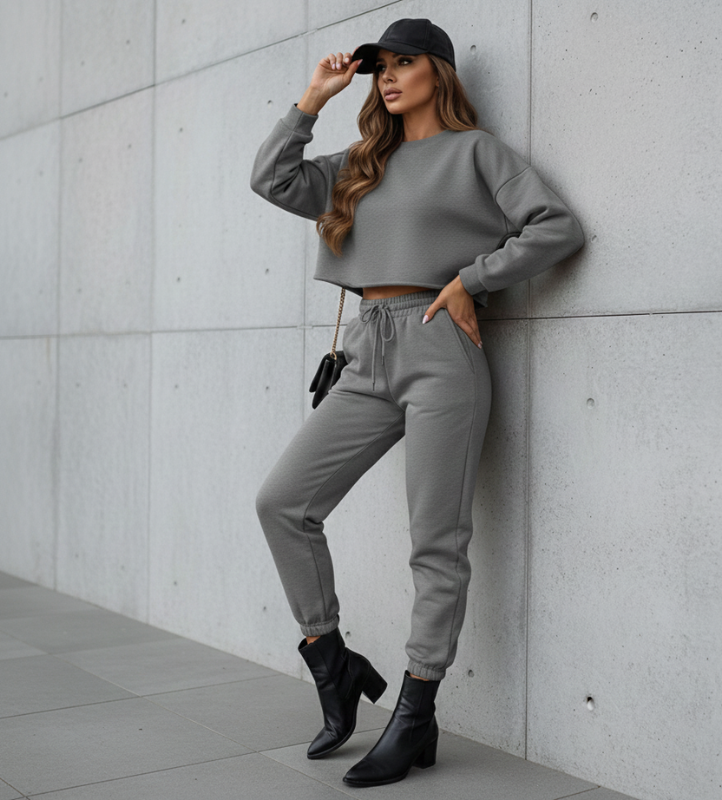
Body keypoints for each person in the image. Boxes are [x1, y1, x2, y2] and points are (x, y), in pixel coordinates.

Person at [250, 18, 584, 788]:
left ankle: (415, 712)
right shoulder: (362, 161)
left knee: (437, 543)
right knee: (283, 504)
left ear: (438, 71)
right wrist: (313, 98)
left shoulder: (476, 153)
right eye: (381, 68)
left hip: (440, 349)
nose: (390, 77)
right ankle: (332, 663)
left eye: (404, 63)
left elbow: (557, 226)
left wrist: (472, 280)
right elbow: (272, 179)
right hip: (366, 350)